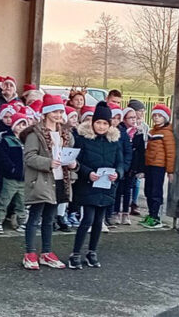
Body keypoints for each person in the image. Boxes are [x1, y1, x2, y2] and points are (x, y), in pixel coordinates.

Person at [21, 94, 75, 270]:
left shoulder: (65, 134)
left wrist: (74, 164)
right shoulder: (35, 134)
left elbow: (69, 154)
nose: (59, 115)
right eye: (56, 111)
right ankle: (30, 252)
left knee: (50, 218)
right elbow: (29, 157)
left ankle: (46, 252)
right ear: (46, 112)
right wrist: (48, 163)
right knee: (35, 217)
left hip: (59, 179)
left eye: (61, 111)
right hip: (41, 181)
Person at [69, 101, 124, 270]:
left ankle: (92, 251)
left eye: (105, 123)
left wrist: (118, 173)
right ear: (93, 123)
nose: (101, 126)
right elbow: (76, 160)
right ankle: (76, 253)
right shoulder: (83, 139)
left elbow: (120, 162)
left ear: (110, 125)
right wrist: (87, 173)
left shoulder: (114, 141)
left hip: (106, 185)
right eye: (98, 122)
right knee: (87, 219)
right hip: (88, 184)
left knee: (99, 221)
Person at [140, 104, 175, 229]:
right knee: (148, 191)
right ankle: (151, 214)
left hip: (159, 166)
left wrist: (170, 171)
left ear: (165, 118)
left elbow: (170, 153)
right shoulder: (152, 131)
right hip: (150, 165)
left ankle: (156, 217)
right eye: (154, 115)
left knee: (156, 191)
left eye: (159, 116)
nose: (156, 118)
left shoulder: (167, 133)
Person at [0, 113, 28, 234]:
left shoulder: (28, 141)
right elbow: (2, 158)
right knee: (5, 199)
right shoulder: (6, 140)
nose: (21, 127)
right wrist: (11, 169)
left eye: (24, 125)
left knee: (22, 201)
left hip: (24, 178)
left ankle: (22, 222)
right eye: (19, 124)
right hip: (11, 178)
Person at [115, 108, 139, 225]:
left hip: (132, 165)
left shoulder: (137, 132)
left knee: (128, 190)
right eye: (130, 118)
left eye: (135, 117)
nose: (133, 120)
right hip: (122, 164)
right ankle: (117, 213)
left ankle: (126, 213)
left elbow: (139, 150)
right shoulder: (121, 131)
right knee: (119, 190)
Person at [127, 99, 149, 216]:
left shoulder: (144, 126)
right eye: (140, 111)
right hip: (130, 154)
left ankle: (134, 203)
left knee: (137, 181)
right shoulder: (129, 124)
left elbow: (146, 139)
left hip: (139, 155)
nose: (142, 113)